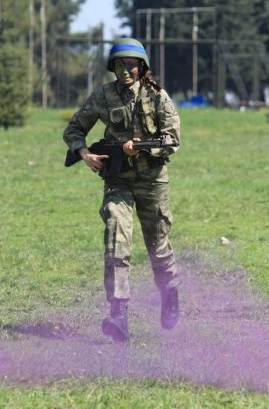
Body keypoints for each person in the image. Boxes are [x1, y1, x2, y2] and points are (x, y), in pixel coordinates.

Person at [63, 38, 181, 342]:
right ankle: (118, 314)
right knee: (116, 238)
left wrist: (138, 149)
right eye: (120, 64)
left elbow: (172, 140)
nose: (126, 70)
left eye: (131, 64)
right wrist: (84, 153)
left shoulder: (157, 96)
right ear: (113, 68)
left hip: (152, 182)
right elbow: (74, 129)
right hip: (118, 181)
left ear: (141, 67)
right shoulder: (103, 96)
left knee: (158, 246)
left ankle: (169, 293)